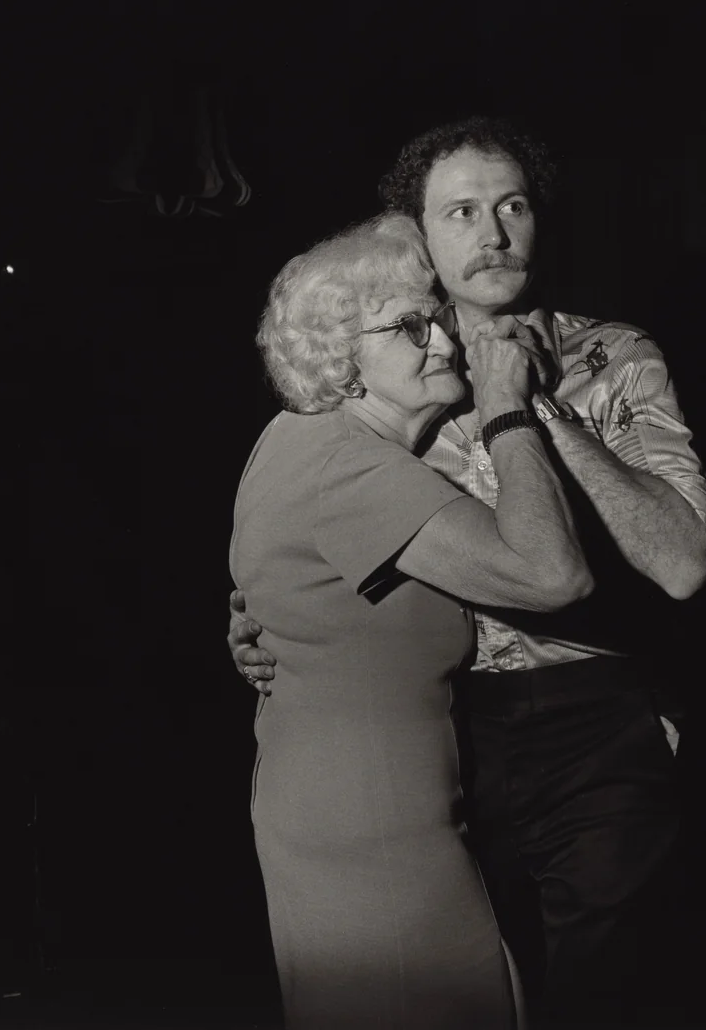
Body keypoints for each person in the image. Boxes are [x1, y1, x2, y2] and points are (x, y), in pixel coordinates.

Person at [230, 118, 706, 1027]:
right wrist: (273, 620)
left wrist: (532, 405)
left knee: (604, 997)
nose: (493, 233)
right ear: (418, 234)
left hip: (595, 720)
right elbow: (315, 523)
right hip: (449, 729)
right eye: (461, 211)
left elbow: (685, 564)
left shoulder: (614, 356)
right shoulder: (389, 363)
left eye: (513, 206)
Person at [231, 210, 593, 1029]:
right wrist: (506, 407)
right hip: (374, 836)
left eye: (437, 319)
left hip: (335, 812)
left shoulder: (294, 437)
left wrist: (263, 625)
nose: (443, 342)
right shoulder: (349, 465)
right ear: (342, 358)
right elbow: (553, 574)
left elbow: (283, 583)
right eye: (409, 327)